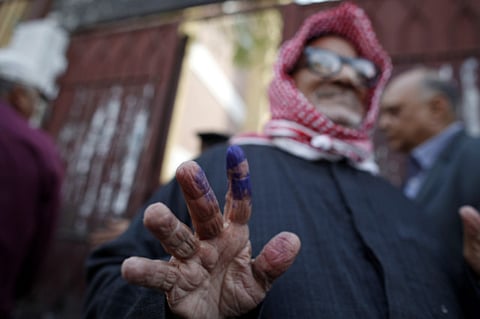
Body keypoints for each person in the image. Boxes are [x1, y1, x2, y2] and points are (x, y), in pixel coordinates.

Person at [84, 2, 480, 318]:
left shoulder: (399, 202)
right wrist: (172, 309)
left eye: (360, 70)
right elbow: (108, 281)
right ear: (288, 78)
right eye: (322, 63)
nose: (345, 78)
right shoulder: (220, 169)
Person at [0, 19, 67, 318]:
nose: (37, 110)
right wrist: (20, 288)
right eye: (36, 99)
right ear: (18, 95)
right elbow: (42, 234)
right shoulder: (37, 148)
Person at [378, 67, 480, 255]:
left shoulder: (474, 157)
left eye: (394, 112)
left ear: (436, 108)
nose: (383, 124)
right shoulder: (417, 169)